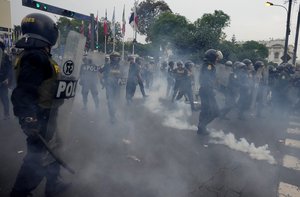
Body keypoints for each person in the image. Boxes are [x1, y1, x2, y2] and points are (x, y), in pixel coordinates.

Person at [10, 13, 70, 197]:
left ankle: (53, 185)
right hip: (40, 115)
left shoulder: (33, 54)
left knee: (54, 147)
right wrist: (29, 117)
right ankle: (20, 192)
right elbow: (24, 91)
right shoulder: (36, 57)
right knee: (37, 158)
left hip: (46, 113)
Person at [197, 49, 223, 135]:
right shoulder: (209, 66)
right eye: (216, 58)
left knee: (205, 110)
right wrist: (212, 90)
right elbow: (207, 79)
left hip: (204, 90)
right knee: (215, 112)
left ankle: (201, 128)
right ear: (212, 57)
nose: (217, 60)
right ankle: (202, 125)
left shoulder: (207, 65)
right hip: (207, 90)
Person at [99, 51, 123, 123]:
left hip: (117, 86)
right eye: (115, 57)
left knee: (116, 100)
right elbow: (99, 71)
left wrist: (121, 80)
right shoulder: (107, 65)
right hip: (109, 85)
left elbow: (121, 75)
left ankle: (113, 114)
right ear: (112, 58)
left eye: (117, 57)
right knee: (110, 100)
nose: (116, 59)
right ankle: (112, 116)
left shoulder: (119, 66)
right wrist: (101, 81)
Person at [0, 38, 12, 120]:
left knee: (4, 98)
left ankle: (6, 113)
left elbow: (10, 69)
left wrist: (7, 78)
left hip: (3, 81)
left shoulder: (6, 57)